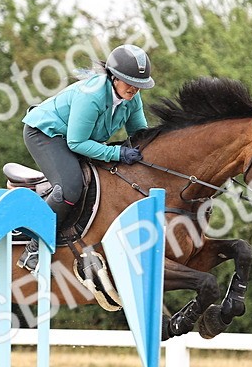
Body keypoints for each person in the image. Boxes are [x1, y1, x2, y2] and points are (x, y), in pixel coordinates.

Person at [17, 43, 156, 270]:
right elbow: (76, 142)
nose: (135, 90)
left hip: (75, 138)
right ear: (114, 77)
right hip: (45, 134)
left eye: (139, 85)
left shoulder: (132, 100)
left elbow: (140, 135)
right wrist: (117, 152)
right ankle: (34, 246)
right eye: (130, 83)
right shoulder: (91, 96)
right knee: (71, 187)